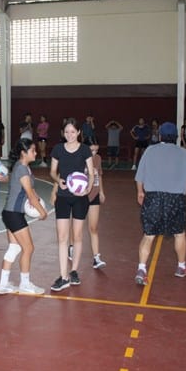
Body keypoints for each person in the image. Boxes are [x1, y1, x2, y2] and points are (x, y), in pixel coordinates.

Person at [134, 122, 186, 286]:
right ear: (176, 137)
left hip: (153, 198)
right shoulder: (184, 153)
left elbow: (139, 176)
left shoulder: (150, 151)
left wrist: (140, 192)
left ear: (159, 136)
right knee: (179, 234)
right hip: (176, 200)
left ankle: (141, 269)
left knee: (148, 236)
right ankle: (181, 267)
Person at [0, 138, 48, 295]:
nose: (36, 152)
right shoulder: (22, 169)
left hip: (10, 213)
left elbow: (31, 191)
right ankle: (25, 284)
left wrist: (37, 199)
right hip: (14, 215)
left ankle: (3, 285)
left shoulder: (23, 167)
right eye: (32, 150)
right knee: (28, 248)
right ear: (23, 153)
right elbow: (30, 195)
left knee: (14, 247)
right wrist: (43, 212)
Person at [49, 117, 95, 291]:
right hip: (63, 196)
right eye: (67, 132)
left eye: (73, 132)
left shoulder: (84, 150)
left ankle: (74, 270)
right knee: (62, 237)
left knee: (77, 236)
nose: (70, 135)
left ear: (79, 133)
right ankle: (63, 276)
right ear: (63, 132)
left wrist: (87, 189)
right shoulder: (58, 149)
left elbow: (91, 174)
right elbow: (53, 171)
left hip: (80, 198)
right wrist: (57, 180)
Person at [85, 136, 107, 269]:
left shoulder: (98, 158)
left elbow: (99, 175)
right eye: (91, 150)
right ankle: (71, 247)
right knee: (76, 228)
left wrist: (101, 191)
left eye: (96, 150)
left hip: (94, 195)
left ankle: (96, 258)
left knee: (93, 227)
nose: (94, 153)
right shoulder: (80, 158)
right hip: (81, 195)